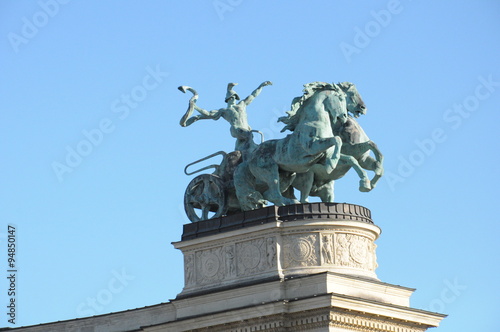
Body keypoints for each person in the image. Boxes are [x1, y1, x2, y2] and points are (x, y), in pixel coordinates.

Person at [183, 81, 272, 159]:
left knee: (244, 145)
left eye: (235, 97)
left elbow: (253, 95)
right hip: (236, 129)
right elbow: (208, 114)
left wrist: (261, 86)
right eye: (232, 97)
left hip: (246, 130)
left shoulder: (242, 104)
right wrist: (195, 107)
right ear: (228, 99)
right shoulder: (224, 111)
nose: (233, 99)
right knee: (248, 136)